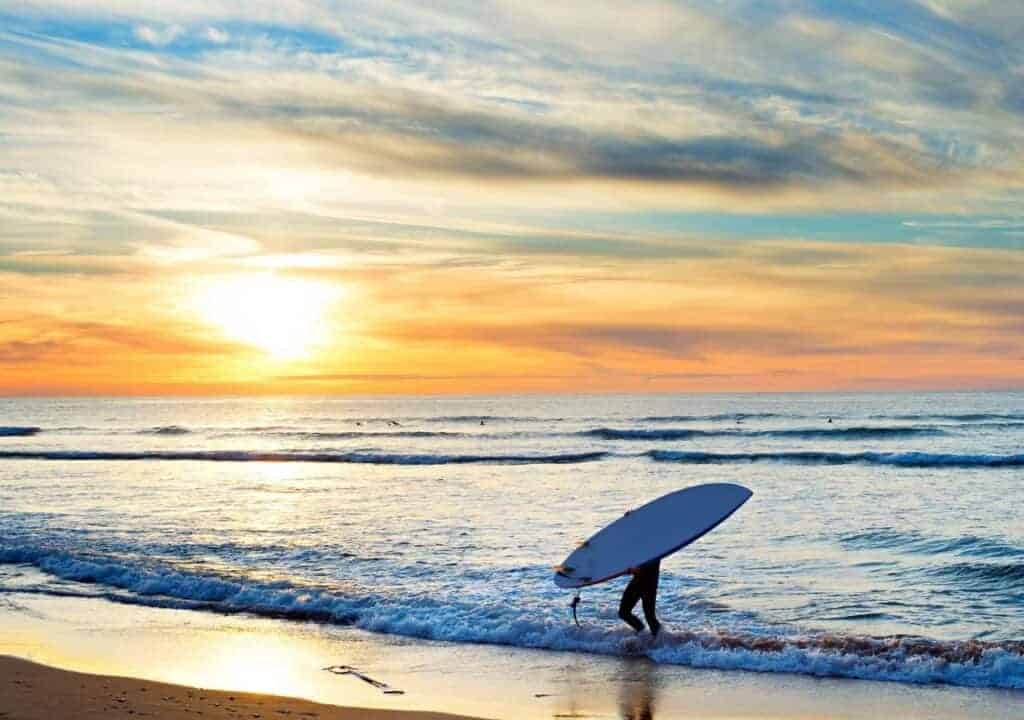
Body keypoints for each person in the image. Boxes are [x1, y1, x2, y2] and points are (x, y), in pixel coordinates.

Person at [618, 559, 661, 636]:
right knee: (623, 613)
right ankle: (641, 632)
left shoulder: (654, 549)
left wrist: (636, 569)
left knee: (650, 617)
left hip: (649, 584)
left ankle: (659, 641)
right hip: (637, 582)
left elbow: (650, 566)